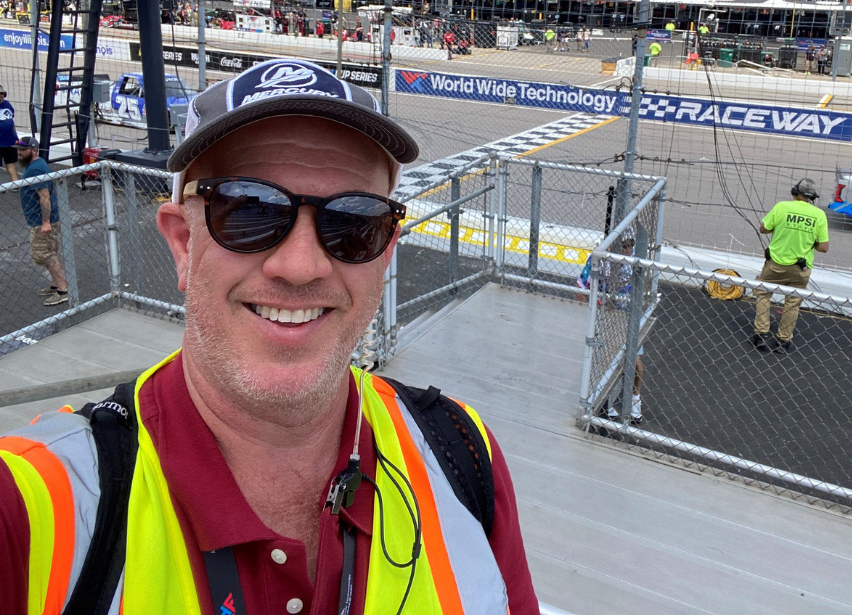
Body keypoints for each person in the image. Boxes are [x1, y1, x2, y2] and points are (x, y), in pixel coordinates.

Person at [0, 60, 540, 614]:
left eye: (354, 222)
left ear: (385, 255)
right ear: (183, 244)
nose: (301, 267)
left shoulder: (461, 451)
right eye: (248, 210)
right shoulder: (32, 506)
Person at [751, 178, 829, 353]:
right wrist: (812, 243)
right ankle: (783, 341)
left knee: (763, 294)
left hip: (775, 264)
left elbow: (763, 229)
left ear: (795, 192)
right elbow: (824, 247)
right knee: (793, 303)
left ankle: (761, 334)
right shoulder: (819, 215)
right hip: (801, 268)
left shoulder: (782, 207)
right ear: (812, 197)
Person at [576, 236, 644, 424]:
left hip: (628, 317)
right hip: (605, 317)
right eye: (624, 246)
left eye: (630, 245)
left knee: (635, 361)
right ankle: (606, 400)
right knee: (605, 361)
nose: (628, 249)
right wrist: (591, 312)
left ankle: (635, 398)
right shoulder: (599, 259)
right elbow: (581, 288)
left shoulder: (636, 260)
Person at [15, 135, 68, 305]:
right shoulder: (35, 165)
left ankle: (63, 290)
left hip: (42, 221)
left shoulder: (36, 169)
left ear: (34, 150)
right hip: (40, 219)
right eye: (18, 150)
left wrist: (45, 222)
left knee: (44, 254)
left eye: (23, 150)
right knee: (49, 252)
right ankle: (55, 285)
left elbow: (44, 198)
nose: (19, 153)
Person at [0, 83, 20, 181]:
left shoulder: (7, 104)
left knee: (11, 162)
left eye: (1, 93)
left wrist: (15, 136)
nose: (0, 95)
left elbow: (12, 121)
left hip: (9, 141)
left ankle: (16, 183)